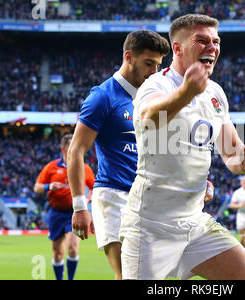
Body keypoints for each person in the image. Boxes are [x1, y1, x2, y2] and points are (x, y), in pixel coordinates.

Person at [119, 14, 245, 280]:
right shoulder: (156, 84)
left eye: (216, 41)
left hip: (194, 223)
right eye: (202, 40)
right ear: (177, 48)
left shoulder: (216, 93)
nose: (212, 48)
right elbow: (149, 117)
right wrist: (186, 92)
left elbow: (231, 154)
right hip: (150, 227)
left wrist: (244, 160)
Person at [67, 30, 170, 280]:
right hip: (114, 197)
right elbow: (76, 150)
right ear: (128, 57)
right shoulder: (103, 97)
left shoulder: (155, 99)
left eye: (158, 65)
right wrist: (80, 205)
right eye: (148, 63)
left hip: (148, 199)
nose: (154, 72)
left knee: (147, 277)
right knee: (130, 274)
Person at [34, 133, 95, 280]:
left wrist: (87, 200)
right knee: (57, 253)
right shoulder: (51, 167)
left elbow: (94, 187)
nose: (74, 148)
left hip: (74, 213)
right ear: (63, 148)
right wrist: (49, 186)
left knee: (73, 248)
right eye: (70, 146)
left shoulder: (84, 167)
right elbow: (37, 187)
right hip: (56, 213)